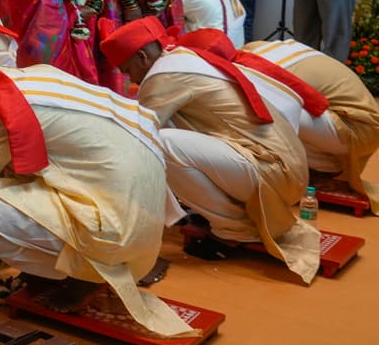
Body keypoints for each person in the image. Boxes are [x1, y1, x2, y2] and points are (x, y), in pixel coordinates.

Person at [0, 33, 192, 334]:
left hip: (115, 225)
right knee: (4, 184)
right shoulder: (34, 74)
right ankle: (63, 268)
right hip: (141, 208)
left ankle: (83, 272)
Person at [101, 17, 319, 282]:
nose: (129, 78)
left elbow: (138, 138)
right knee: (166, 139)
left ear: (143, 57)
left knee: (161, 144)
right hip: (284, 165)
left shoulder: (164, 77)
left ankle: (234, 229)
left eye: (127, 69)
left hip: (273, 170)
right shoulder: (183, 56)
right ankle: (228, 217)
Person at [244, 37, 379, 212]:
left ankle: (318, 167)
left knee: (267, 109)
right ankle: (322, 165)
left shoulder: (252, 71)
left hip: (359, 127)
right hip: (357, 120)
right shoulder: (257, 50)